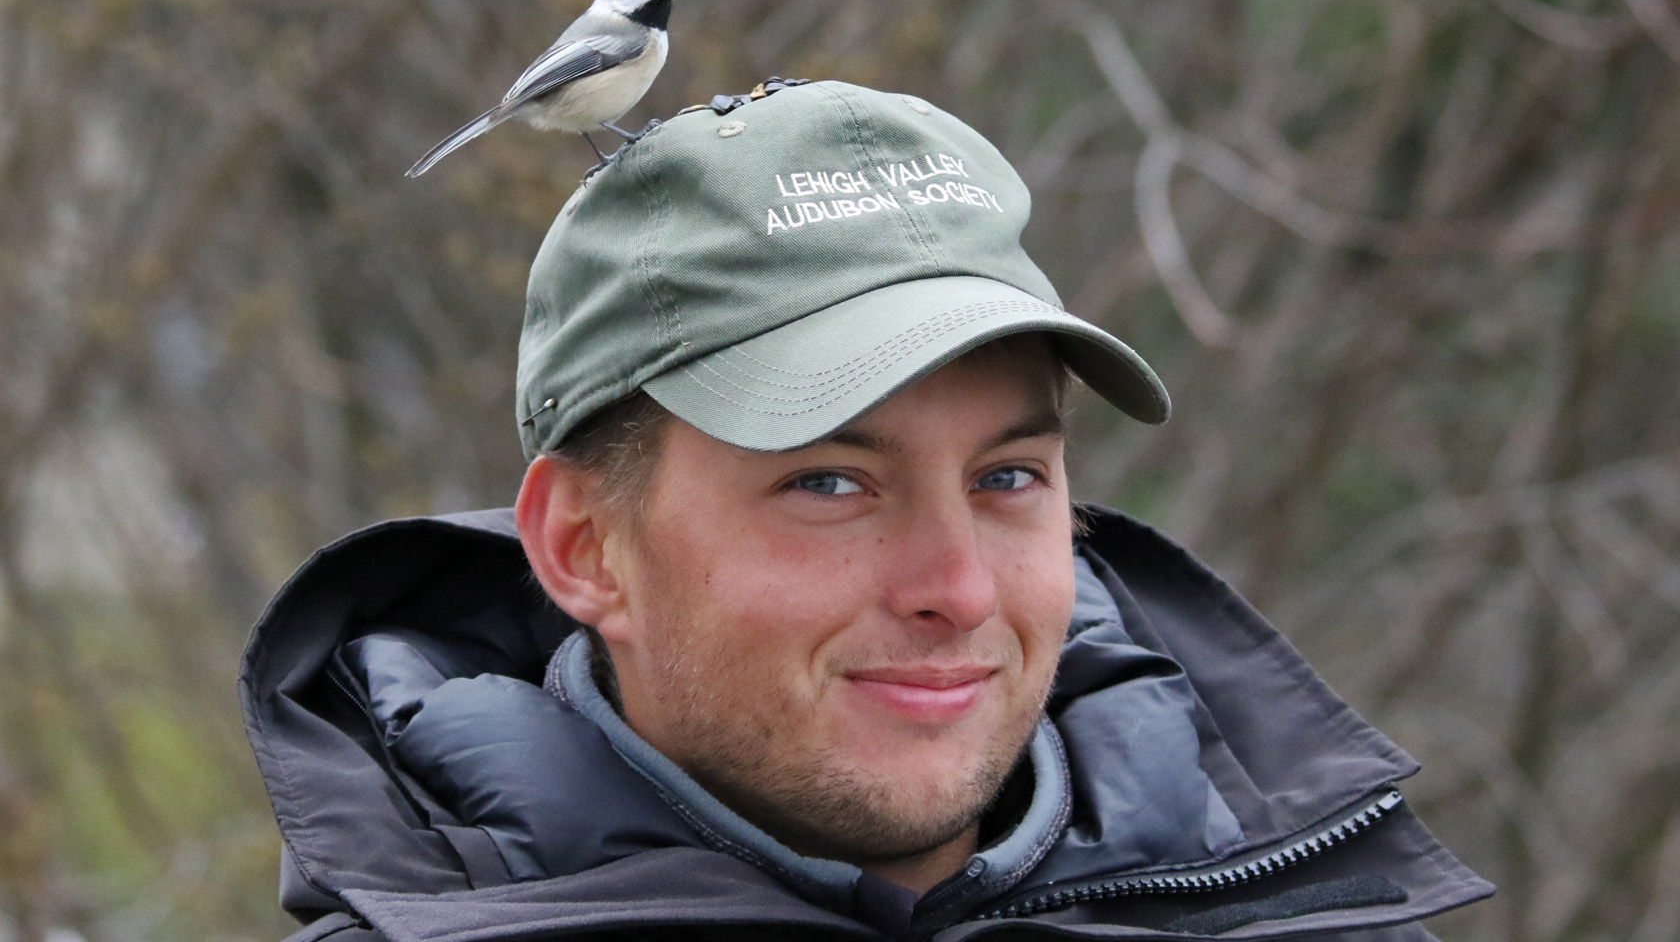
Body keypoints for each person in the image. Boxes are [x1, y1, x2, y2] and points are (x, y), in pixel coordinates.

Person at [240, 80, 1492, 942]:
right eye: (829, 483)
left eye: (1008, 477)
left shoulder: (1322, 914)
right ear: (584, 547)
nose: (956, 584)